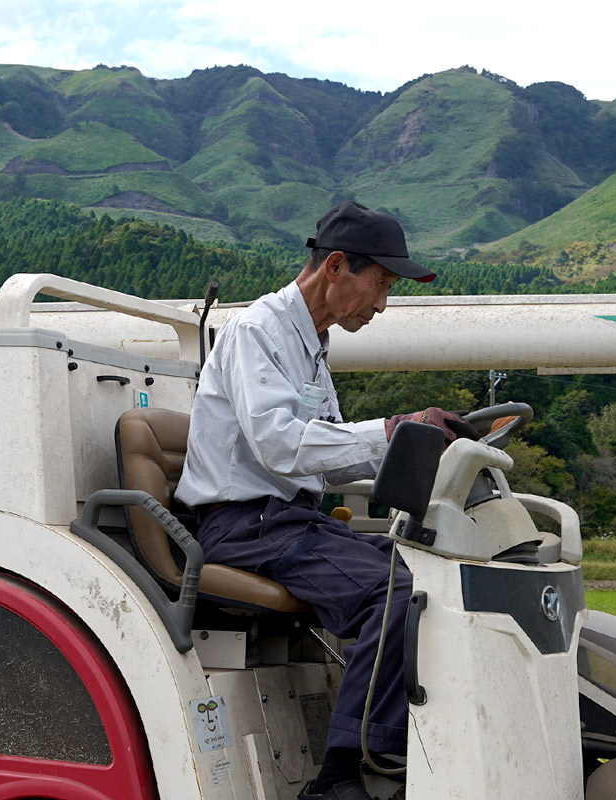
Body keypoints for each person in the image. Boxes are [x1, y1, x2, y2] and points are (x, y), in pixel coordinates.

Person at [175, 200, 473, 800]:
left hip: (285, 520)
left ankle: (419, 746)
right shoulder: (257, 331)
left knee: (428, 576)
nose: (383, 303)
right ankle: (349, 773)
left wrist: (413, 447)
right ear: (335, 266)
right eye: (381, 283)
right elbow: (281, 447)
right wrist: (391, 431)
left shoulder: (311, 343)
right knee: (396, 591)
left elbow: (328, 452)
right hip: (245, 525)